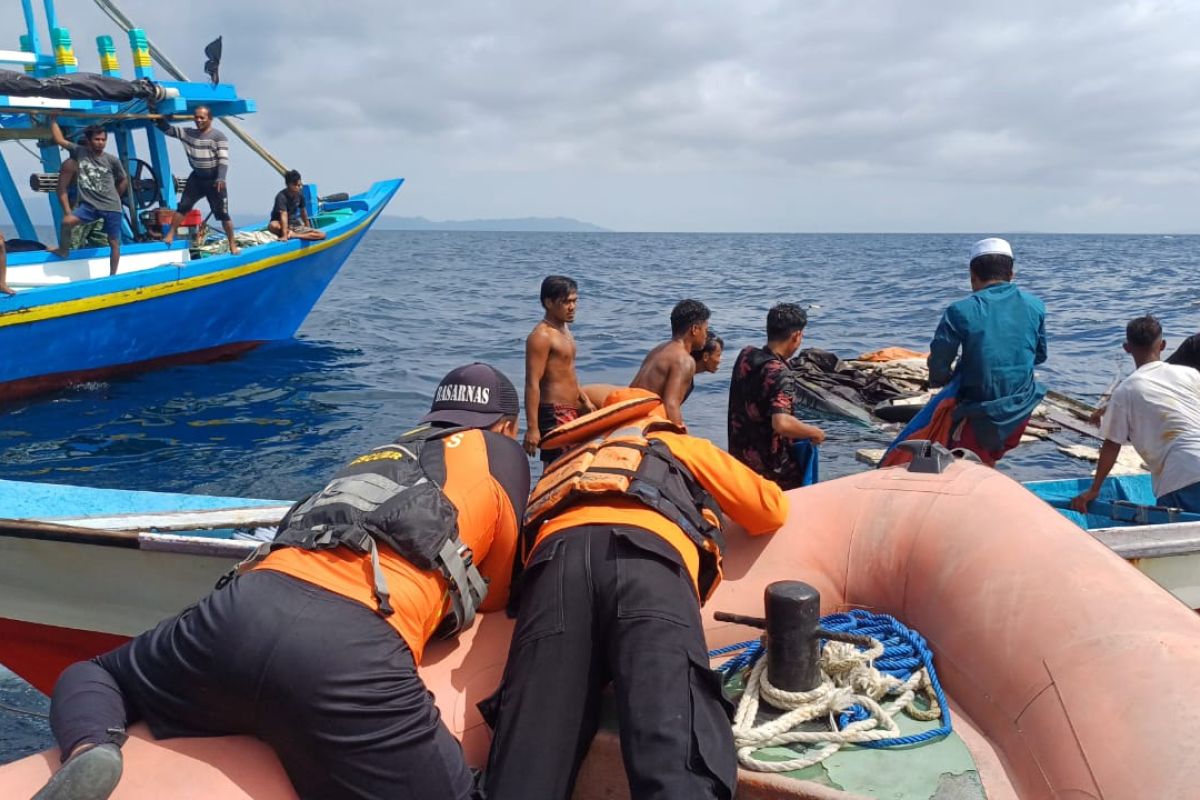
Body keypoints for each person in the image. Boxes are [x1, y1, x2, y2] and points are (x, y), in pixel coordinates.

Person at [33, 363, 530, 800]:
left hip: (240, 612)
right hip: (353, 650)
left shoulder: (384, 453)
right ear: (505, 425)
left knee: (98, 674)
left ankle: (91, 747)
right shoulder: (500, 452)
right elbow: (499, 595)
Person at [482, 387, 789, 800]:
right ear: (660, 416)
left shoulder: (568, 463)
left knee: (527, 757)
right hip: (648, 562)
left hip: (554, 566)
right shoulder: (677, 443)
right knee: (674, 748)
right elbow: (769, 509)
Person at [926, 237, 1047, 465]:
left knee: (965, 466)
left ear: (972, 275)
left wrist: (940, 382)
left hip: (979, 413)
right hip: (1021, 409)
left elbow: (939, 362)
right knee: (987, 462)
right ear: (1012, 274)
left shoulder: (959, 310)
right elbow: (1040, 355)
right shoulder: (1036, 306)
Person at [1071, 316, 1200, 514]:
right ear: (1163, 345)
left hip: (1182, 478)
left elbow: (1112, 445)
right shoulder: (1191, 374)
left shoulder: (1126, 391)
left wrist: (1094, 490)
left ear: (1126, 347)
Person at [728, 302, 825, 490]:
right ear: (797, 336)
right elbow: (781, 423)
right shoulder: (780, 373)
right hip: (772, 472)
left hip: (740, 464)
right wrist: (815, 432)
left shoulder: (745, 356)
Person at [524, 275, 595, 463]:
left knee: (573, 465)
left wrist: (584, 400)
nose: (572, 307)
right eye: (565, 302)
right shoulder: (541, 336)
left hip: (572, 409)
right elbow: (532, 382)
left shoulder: (564, 330)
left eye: (574, 301)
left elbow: (567, 372)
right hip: (554, 413)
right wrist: (532, 428)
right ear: (548, 302)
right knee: (558, 468)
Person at [157, 105, 240, 255]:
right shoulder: (189, 133)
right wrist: (162, 117)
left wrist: (221, 177)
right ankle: (170, 234)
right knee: (183, 206)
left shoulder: (218, 136)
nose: (198, 120)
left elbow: (223, 160)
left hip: (214, 179)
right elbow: (167, 129)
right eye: (196, 117)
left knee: (222, 214)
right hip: (196, 177)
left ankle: (232, 244)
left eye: (202, 117)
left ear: (210, 119)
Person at [48, 118, 127, 275]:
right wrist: (53, 119)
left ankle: (113, 275)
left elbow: (123, 179)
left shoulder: (112, 160)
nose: (100, 142)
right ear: (89, 141)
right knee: (66, 222)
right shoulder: (80, 153)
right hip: (90, 207)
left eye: (103, 140)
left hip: (111, 207)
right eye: (96, 139)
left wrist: (117, 196)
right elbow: (59, 139)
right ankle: (63, 250)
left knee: (114, 243)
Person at [629, 299, 711, 426]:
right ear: (695, 329)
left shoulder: (657, 350)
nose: (706, 335)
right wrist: (681, 437)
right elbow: (671, 405)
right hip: (643, 421)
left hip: (628, 413)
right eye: (705, 330)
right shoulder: (684, 360)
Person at [268, 169, 326, 242]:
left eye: (299, 185)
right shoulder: (281, 197)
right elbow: (284, 215)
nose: (298, 187)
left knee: (322, 235)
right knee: (272, 225)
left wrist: (308, 227)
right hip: (281, 224)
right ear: (288, 184)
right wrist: (284, 235)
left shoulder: (300, 195)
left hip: (294, 225)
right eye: (295, 185)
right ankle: (287, 233)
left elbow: (303, 212)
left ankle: (294, 235)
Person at [684, 331, 724, 402]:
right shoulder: (684, 377)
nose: (720, 360)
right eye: (718, 355)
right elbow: (671, 406)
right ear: (705, 356)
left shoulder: (687, 373)